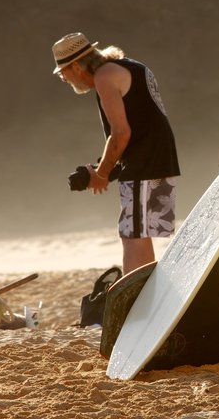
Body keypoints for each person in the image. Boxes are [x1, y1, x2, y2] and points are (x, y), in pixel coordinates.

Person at [52, 32, 181, 274]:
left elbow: (121, 134)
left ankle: (136, 302)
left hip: (145, 161)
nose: (64, 79)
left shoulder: (104, 77)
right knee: (140, 232)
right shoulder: (128, 67)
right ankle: (148, 295)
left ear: (77, 66)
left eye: (63, 73)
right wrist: (101, 169)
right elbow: (143, 127)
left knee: (132, 234)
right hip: (159, 156)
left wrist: (101, 175)